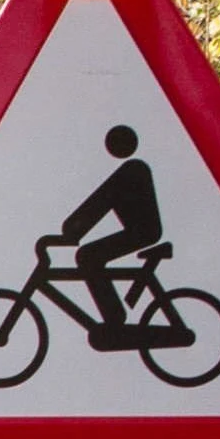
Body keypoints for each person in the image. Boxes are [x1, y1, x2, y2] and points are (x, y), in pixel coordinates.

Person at [58, 123, 166, 346]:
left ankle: (115, 321)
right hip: (139, 231)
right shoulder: (132, 169)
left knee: (87, 257)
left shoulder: (132, 170)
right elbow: (100, 202)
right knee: (88, 256)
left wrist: (73, 230)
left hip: (143, 233)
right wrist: (73, 231)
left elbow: (101, 202)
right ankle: (115, 318)